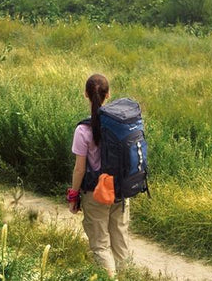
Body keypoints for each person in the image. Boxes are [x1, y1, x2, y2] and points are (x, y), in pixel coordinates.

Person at [67, 73, 130, 280]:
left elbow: (79, 169)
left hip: (96, 194)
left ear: (85, 94)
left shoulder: (83, 130)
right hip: (121, 190)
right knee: (120, 242)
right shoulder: (122, 124)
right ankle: (127, 276)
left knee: (101, 245)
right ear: (108, 95)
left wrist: (73, 196)